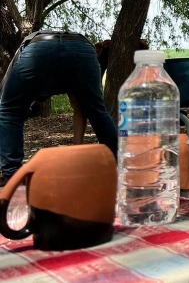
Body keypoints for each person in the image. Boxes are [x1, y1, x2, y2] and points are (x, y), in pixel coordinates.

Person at [0, 31, 118, 186]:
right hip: (81, 49)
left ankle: (11, 173)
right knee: (97, 111)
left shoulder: (27, 52)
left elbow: (6, 99)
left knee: (9, 111)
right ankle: (120, 162)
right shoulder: (70, 79)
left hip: (39, 47)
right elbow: (81, 110)